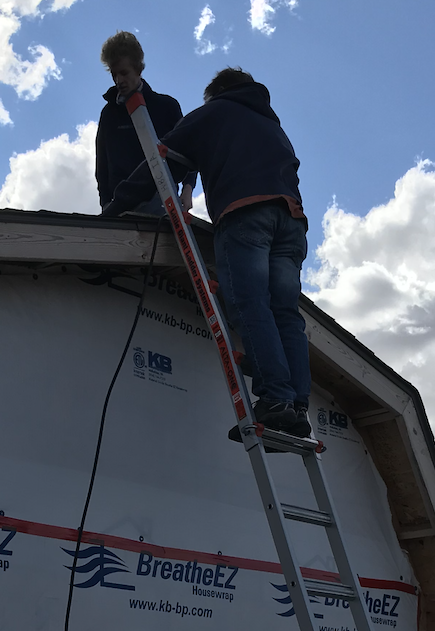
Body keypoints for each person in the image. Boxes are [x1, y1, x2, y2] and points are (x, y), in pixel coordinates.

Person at [103, 67, 311, 440]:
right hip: (292, 223)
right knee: (285, 314)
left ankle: (276, 400)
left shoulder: (215, 112)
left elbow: (160, 161)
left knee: (249, 303)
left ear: (218, 92)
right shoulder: (272, 126)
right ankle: (296, 407)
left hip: (246, 214)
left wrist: (115, 207)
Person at [95, 31, 196, 216]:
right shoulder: (109, 114)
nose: (119, 80)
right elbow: (102, 165)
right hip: (120, 205)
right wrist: (105, 203)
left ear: (138, 69)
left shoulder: (166, 107)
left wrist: (188, 188)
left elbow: (189, 149)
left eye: (124, 73)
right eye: (114, 74)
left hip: (161, 199)